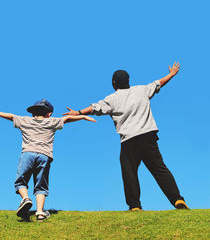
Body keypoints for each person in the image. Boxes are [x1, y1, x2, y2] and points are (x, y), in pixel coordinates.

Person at [63, 62, 189, 211]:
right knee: (160, 169)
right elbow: (158, 83)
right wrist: (172, 74)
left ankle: (135, 206)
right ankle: (177, 200)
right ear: (129, 80)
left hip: (129, 139)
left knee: (129, 171)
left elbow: (95, 108)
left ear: (114, 83)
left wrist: (78, 112)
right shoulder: (141, 90)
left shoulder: (112, 98)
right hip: (148, 136)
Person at [0, 99, 96, 220]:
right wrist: (83, 116)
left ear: (33, 113)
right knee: (41, 185)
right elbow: (66, 119)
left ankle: (26, 199)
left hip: (27, 154)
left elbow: (11, 116)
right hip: (44, 156)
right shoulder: (52, 121)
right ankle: (40, 212)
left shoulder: (25, 120)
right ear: (49, 114)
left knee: (21, 181)